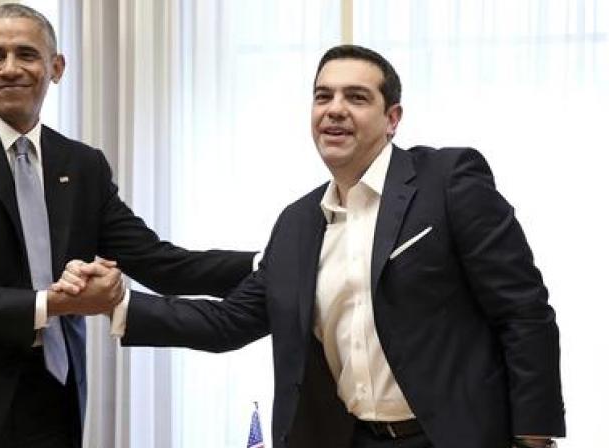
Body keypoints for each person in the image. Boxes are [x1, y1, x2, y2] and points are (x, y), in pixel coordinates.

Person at [63, 45, 565, 448]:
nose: (335, 110)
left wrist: (533, 435)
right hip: (350, 437)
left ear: (393, 118)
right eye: (322, 97)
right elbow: (229, 322)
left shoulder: (449, 180)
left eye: (356, 97)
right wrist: (118, 303)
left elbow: (523, 311)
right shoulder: (298, 224)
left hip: (454, 435)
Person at [0, 4, 254, 448]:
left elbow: (161, 263)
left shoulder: (82, 165)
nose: (9, 68)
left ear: (56, 67)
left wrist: (273, 262)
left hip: (51, 399)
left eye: (26, 54)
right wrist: (53, 304)